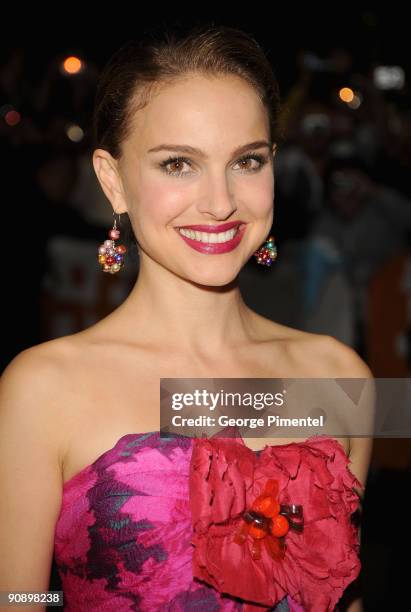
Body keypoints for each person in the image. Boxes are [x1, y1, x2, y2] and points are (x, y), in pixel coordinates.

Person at [0, 24, 373, 611]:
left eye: (246, 161)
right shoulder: (42, 387)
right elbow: (18, 598)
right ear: (112, 179)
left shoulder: (340, 375)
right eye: (178, 165)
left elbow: (342, 593)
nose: (221, 202)